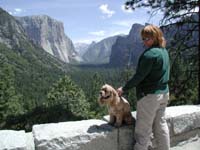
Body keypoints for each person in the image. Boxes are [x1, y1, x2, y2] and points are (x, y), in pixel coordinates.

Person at [117, 24, 170, 150]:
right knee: (161, 126)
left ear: (156, 37)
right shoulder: (164, 52)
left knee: (142, 132)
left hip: (149, 97)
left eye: (148, 38)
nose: (145, 41)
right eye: (143, 39)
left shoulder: (149, 55)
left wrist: (123, 88)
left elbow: (138, 77)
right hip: (164, 94)